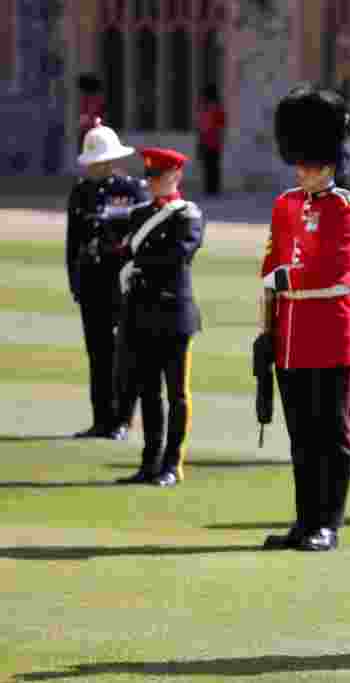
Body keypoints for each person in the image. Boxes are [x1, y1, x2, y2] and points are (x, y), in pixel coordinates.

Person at [260, 85, 350, 551]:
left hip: (331, 334)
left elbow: (331, 268)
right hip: (292, 335)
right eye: (302, 163)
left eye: (314, 163)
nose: (305, 171)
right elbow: (271, 266)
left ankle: (329, 522)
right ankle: (305, 521)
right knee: (301, 436)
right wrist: (269, 330)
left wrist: (285, 279)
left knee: (332, 433)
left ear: (331, 163)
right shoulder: (286, 205)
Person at [116, 147, 204, 486]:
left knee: (177, 393)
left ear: (176, 176)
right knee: (148, 391)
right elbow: (126, 249)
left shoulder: (188, 215)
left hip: (173, 312)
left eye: (160, 176)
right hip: (141, 311)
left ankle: (172, 464)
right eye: (150, 176)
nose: (153, 182)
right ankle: (150, 462)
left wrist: (138, 264)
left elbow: (179, 254)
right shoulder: (139, 214)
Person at [67, 122, 149, 440]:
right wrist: (75, 282)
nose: (97, 166)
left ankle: (122, 420)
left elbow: (138, 239)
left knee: (123, 355)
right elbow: (72, 244)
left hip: (122, 285)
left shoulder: (132, 190)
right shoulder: (80, 191)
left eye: (101, 160)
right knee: (98, 353)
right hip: (91, 284)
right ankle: (101, 419)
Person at [196, 84, 226, 196]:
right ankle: (212, 188)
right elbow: (221, 124)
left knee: (209, 165)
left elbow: (203, 125)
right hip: (213, 140)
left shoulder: (208, 108)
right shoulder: (214, 107)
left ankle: (211, 188)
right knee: (212, 165)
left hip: (208, 140)